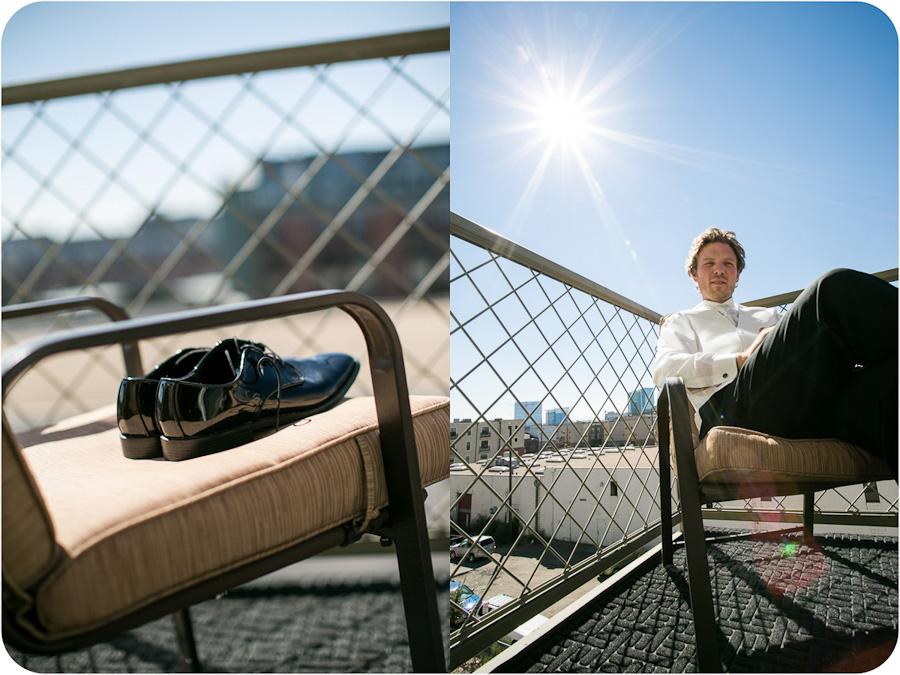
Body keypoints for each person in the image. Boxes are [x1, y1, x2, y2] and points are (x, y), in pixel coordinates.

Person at [652, 227, 897, 478]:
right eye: (709, 263)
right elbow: (665, 370)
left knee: (890, 381)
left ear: (738, 275)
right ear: (694, 274)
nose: (719, 270)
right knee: (832, 288)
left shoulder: (766, 316)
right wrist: (739, 360)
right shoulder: (681, 321)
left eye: (728, 263)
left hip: (804, 401)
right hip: (730, 408)